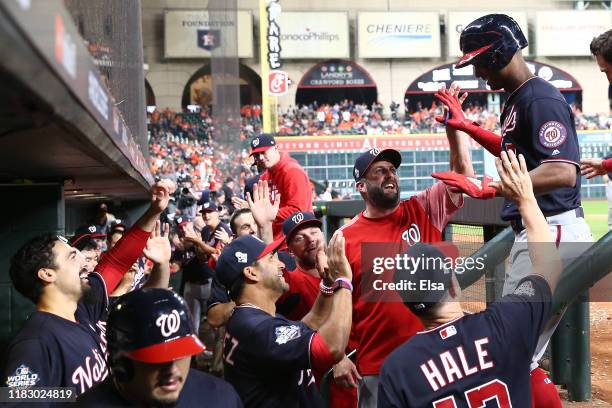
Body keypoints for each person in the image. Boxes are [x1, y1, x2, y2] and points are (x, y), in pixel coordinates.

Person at [436, 14, 593, 406]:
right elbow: (518, 152)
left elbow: (561, 172)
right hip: (541, 231)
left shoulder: (538, 97)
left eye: (478, 61)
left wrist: (487, 187)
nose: (476, 70)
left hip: (551, 232)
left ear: (500, 51)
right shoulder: (521, 97)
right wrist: (469, 128)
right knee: (517, 353)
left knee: (511, 353)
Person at [379, 151, 562, 407]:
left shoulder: (398, 369)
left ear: (408, 305)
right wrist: (526, 198)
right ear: (453, 286)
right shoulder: (505, 322)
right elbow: (549, 265)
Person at [339, 83, 472, 407]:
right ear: (361, 186)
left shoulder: (423, 208)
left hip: (437, 360)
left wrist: (455, 129)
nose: (390, 176)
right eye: (380, 171)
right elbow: (334, 305)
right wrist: (337, 356)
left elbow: (463, 175)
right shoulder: (343, 238)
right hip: (377, 367)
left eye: (393, 170)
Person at [2, 181, 173, 395]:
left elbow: (116, 262)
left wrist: (154, 211)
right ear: (47, 274)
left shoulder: (82, 309)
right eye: (73, 256)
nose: (84, 260)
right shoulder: (34, 344)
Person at [216, 231, 352, 407]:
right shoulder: (257, 328)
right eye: (272, 258)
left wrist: (327, 285)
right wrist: (344, 282)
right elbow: (331, 348)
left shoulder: (248, 317)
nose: (281, 264)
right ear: (251, 273)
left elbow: (311, 322)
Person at [77, 288, 242, 407]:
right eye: (157, 359)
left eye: (181, 354)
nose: (172, 369)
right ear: (120, 366)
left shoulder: (220, 397)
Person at [250, 133, 313, 240]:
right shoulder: (264, 177)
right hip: (273, 239)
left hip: (295, 239)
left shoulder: (292, 171)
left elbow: (298, 211)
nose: (260, 158)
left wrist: (267, 214)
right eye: (256, 155)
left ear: (276, 148)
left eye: (263, 152)